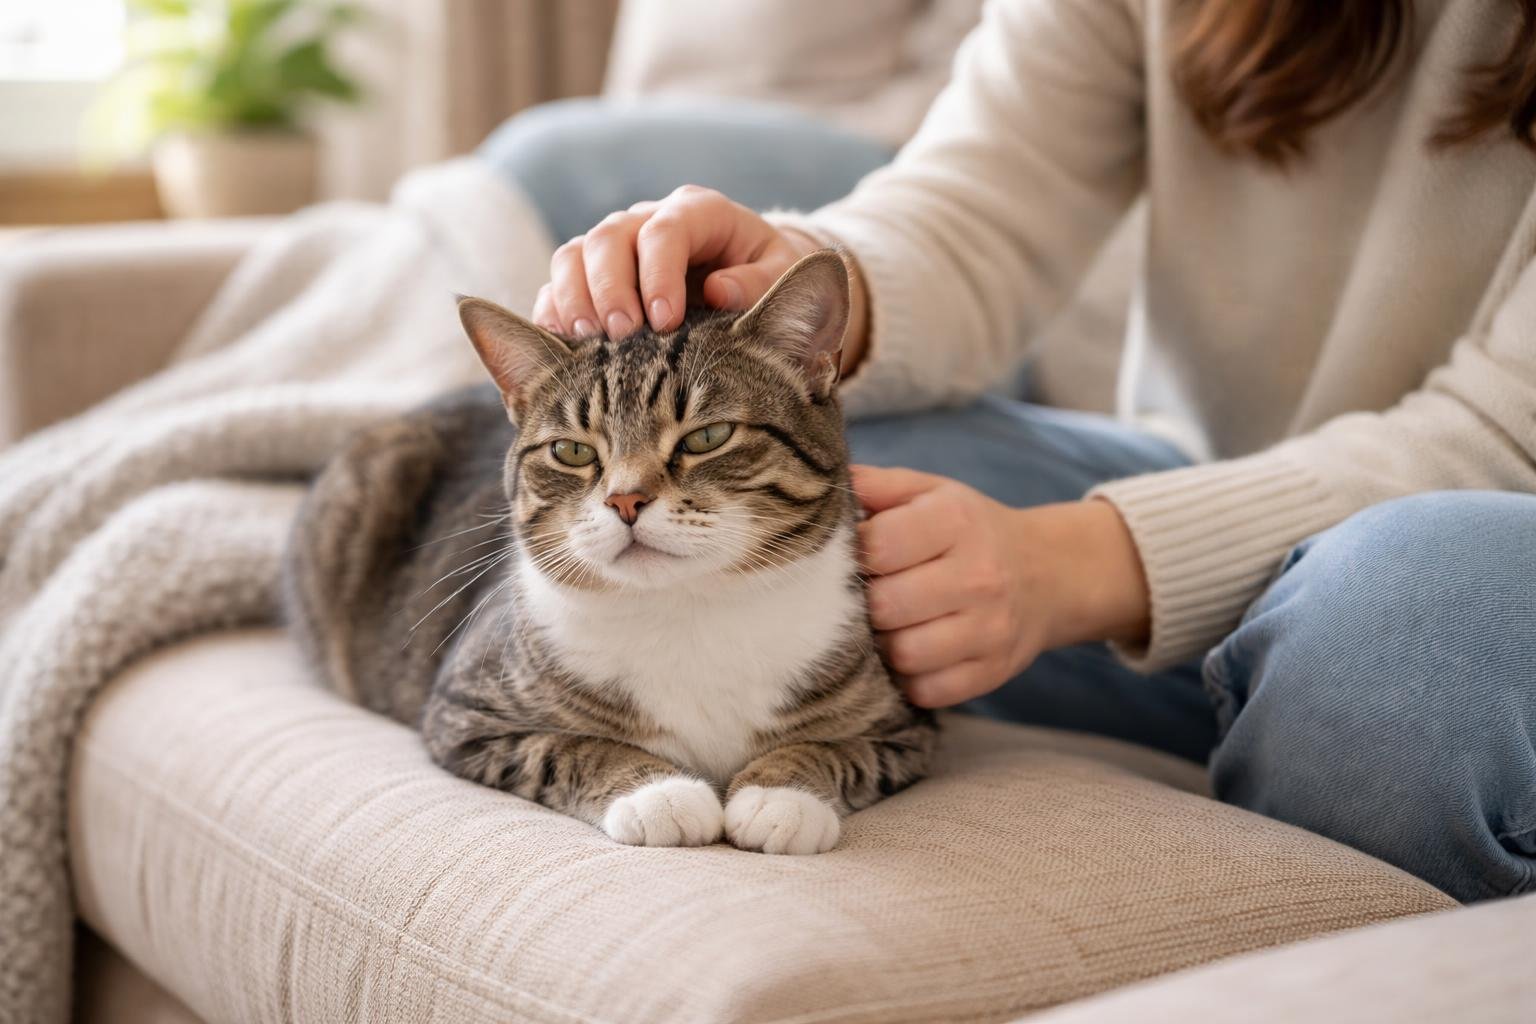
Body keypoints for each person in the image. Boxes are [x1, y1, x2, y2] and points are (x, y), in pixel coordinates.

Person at [487, 0, 1536, 905]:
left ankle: (1312, 718)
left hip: (1452, 561)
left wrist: (1077, 567)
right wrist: (808, 286)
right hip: (1199, 479)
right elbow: (983, 205)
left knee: (1398, 655)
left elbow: (1505, 429)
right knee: (805, 468)